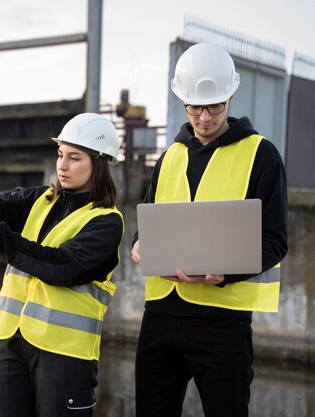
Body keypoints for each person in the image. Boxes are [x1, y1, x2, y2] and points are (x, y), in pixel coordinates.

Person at [131, 42, 288, 417]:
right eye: (195, 106)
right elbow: (150, 222)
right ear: (182, 102)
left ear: (230, 97)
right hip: (161, 317)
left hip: (223, 323)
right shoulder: (169, 156)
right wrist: (140, 244)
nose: (204, 117)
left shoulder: (261, 155)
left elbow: (276, 240)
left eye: (214, 106)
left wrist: (227, 272)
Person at [0, 113, 124, 417]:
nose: (63, 165)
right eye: (60, 155)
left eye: (75, 157)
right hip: (8, 341)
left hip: (64, 354)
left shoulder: (106, 222)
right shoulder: (39, 199)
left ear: (99, 163)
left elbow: (62, 267)